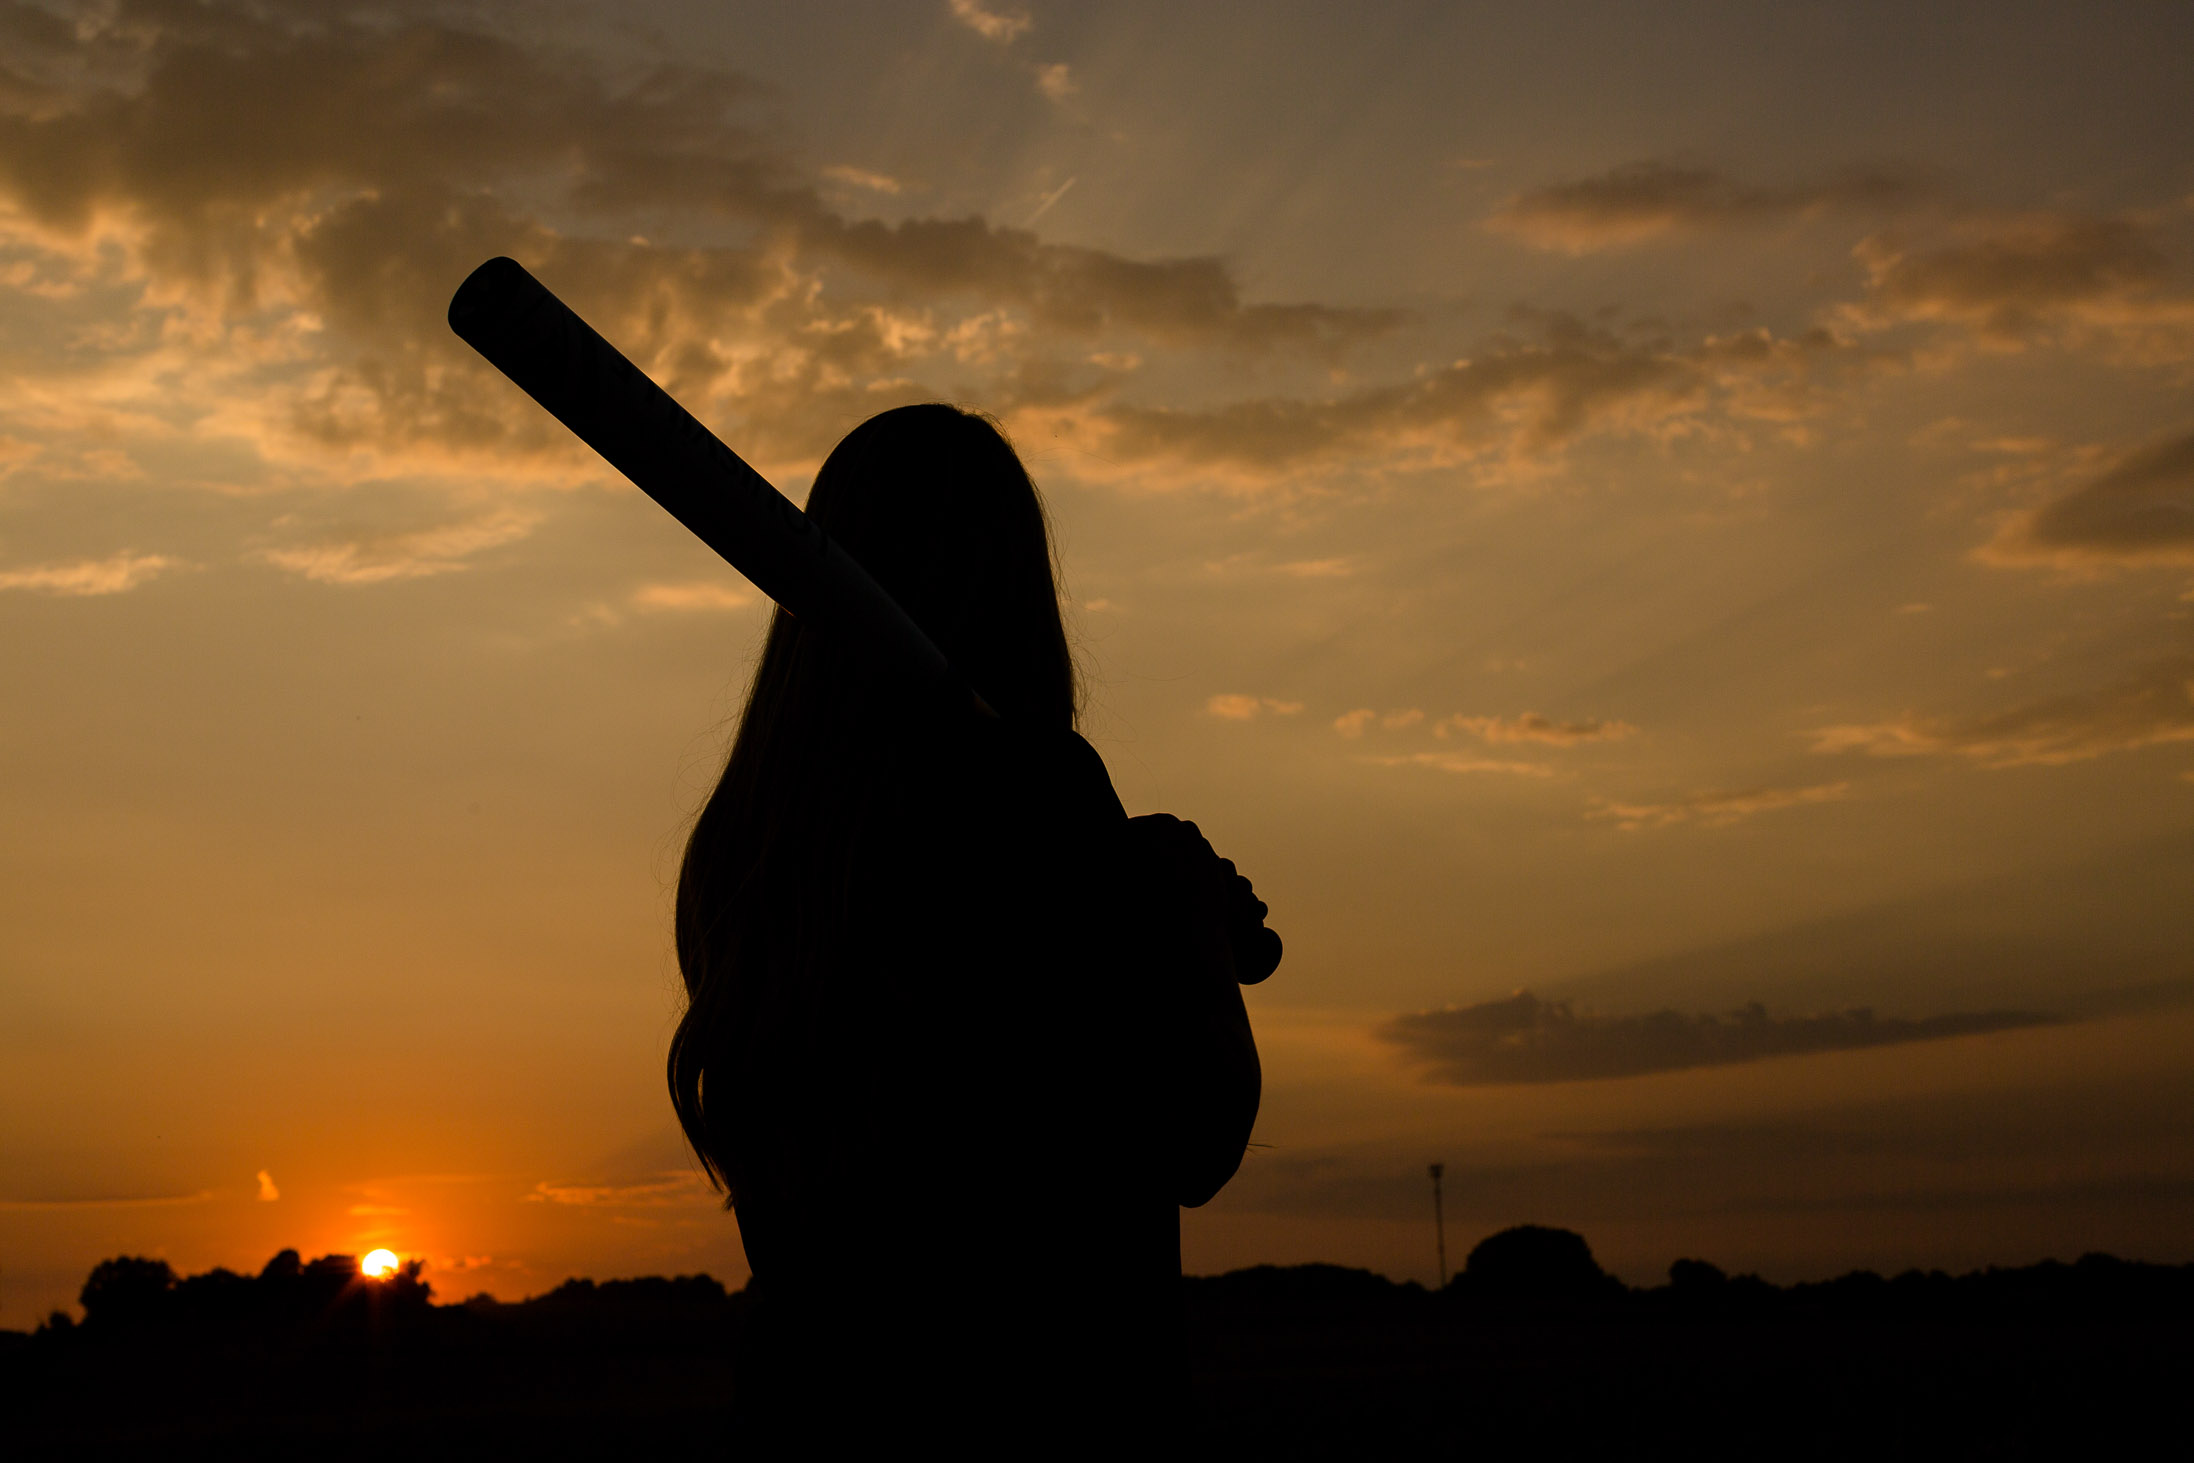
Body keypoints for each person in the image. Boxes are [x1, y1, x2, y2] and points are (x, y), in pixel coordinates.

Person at [667, 404, 1266, 1444]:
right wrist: (1189, 927)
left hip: (815, 1419)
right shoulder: (1039, 790)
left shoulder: (748, 834)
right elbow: (1194, 1134)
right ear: (1017, 583)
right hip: (1039, 1420)